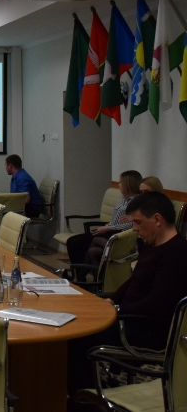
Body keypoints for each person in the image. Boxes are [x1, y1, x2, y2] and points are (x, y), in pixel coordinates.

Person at [67, 192, 187, 406]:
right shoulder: (152, 245)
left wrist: (116, 312)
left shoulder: (177, 253)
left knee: (78, 336)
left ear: (157, 219)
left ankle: (85, 400)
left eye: (138, 222)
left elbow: (157, 304)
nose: (135, 229)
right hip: (131, 318)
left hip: (148, 330)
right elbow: (134, 281)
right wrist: (111, 301)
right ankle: (80, 390)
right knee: (77, 322)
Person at [66, 170, 142, 278]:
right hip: (110, 231)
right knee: (77, 243)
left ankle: (80, 277)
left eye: (121, 182)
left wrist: (108, 228)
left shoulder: (136, 202)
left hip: (119, 234)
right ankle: (84, 277)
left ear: (128, 184)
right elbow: (116, 220)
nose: (119, 185)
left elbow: (130, 226)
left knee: (77, 243)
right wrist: (106, 227)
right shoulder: (124, 199)